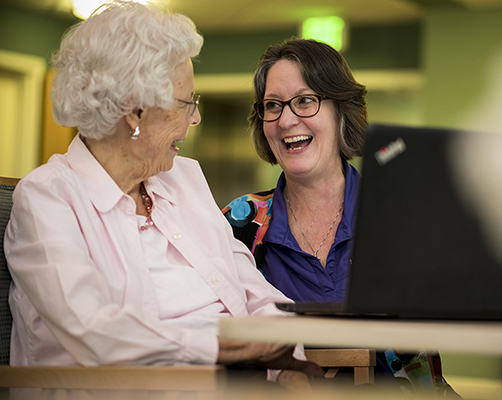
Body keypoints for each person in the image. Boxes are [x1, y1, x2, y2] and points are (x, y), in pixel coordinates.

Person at [4, 1, 321, 389]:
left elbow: (255, 293)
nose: (195, 118)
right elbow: (95, 332)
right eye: (187, 102)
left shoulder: (183, 179)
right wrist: (230, 346)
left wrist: (288, 361)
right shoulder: (47, 198)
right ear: (135, 113)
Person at [223, 38, 459, 397]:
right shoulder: (237, 225)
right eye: (273, 105)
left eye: (305, 100)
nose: (286, 120)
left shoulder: (402, 216)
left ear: (341, 109)